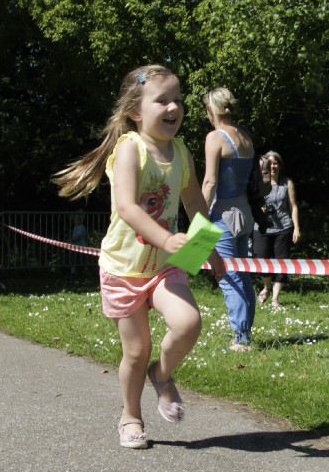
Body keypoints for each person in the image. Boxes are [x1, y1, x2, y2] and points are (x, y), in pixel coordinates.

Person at [53, 64, 224, 450]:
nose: (173, 107)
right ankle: (130, 416)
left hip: (165, 267)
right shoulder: (130, 149)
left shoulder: (181, 152)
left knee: (189, 323)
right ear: (135, 111)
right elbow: (128, 207)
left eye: (177, 99)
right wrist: (166, 238)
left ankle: (161, 375)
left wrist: (209, 249)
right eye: (162, 100)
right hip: (123, 268)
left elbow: (195, 203)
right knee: (136, 350)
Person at [202, 87, 258, 351]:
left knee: (227, 275)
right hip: (244, 213)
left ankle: (241, 338)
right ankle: (244, 332)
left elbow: (210, 181)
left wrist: (199, 217)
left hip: (223, 214)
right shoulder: (245, 136)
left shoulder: (215, 137)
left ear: (210, 110)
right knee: (242, 273)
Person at [253, 150, 300, 310]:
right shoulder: (257, 181)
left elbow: (293, 206)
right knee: (261, 258)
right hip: (261, 226)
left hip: (284, 227)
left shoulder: (287, 182)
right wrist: (259, 208)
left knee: (282, 262)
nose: (272, 166)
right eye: (269, 163)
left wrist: (296, 228)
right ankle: (267, 286)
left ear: (279, 165)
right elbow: (251, 203)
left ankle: (275, 298)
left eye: (275, 163)